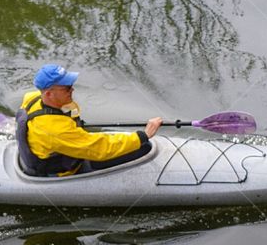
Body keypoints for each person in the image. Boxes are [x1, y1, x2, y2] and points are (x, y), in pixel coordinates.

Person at [15, 64, 163, 177]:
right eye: (67, 88)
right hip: (62, 171)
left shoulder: (32, 98)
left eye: (71, 86)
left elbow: (66, 118)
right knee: (143, 147)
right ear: (49, 94)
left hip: (49, 148)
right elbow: (100, 148)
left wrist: (74, 124)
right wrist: (143, 136)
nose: (72, 90)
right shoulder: (55, 131)